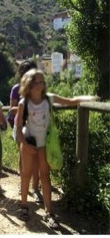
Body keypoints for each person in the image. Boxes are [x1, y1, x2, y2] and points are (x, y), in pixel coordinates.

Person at [14, 69, 98, 228]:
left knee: (45, 176)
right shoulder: (22, 103)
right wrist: (24, 144)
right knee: (25, 175)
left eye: (41, 82)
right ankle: (24, 206)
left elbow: (72, 101)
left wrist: (93, 98)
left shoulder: (49, 99)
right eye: (36, 82)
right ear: (28, 84)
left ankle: (49, 212)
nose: (40, 85)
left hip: (44, 144)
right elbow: (18, 128)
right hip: (28, 144)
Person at [8, 61, 43, 203]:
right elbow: (11, 109)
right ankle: (24, 186)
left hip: (36, 127)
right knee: (23, 158)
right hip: (21, 126)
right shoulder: (16, 89)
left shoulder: (38, 89)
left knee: (36, 160)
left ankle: (35, 189)